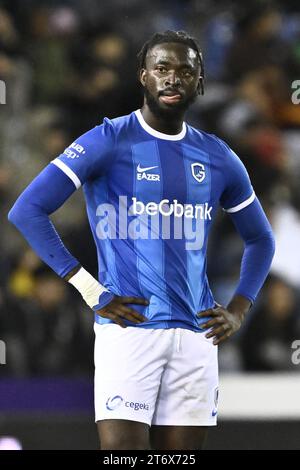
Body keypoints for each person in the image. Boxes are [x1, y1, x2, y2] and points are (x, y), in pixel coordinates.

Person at [8, 30, 275, 450]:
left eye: (185, 71)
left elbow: (261, 240)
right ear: (143, 77)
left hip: (197, 337)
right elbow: (27, 210)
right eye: (162, 68)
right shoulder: (108, 139)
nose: (173, 79)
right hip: (128, 330)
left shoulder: (219, 156)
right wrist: (90, 289)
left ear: (200, 82)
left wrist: (240, 308)